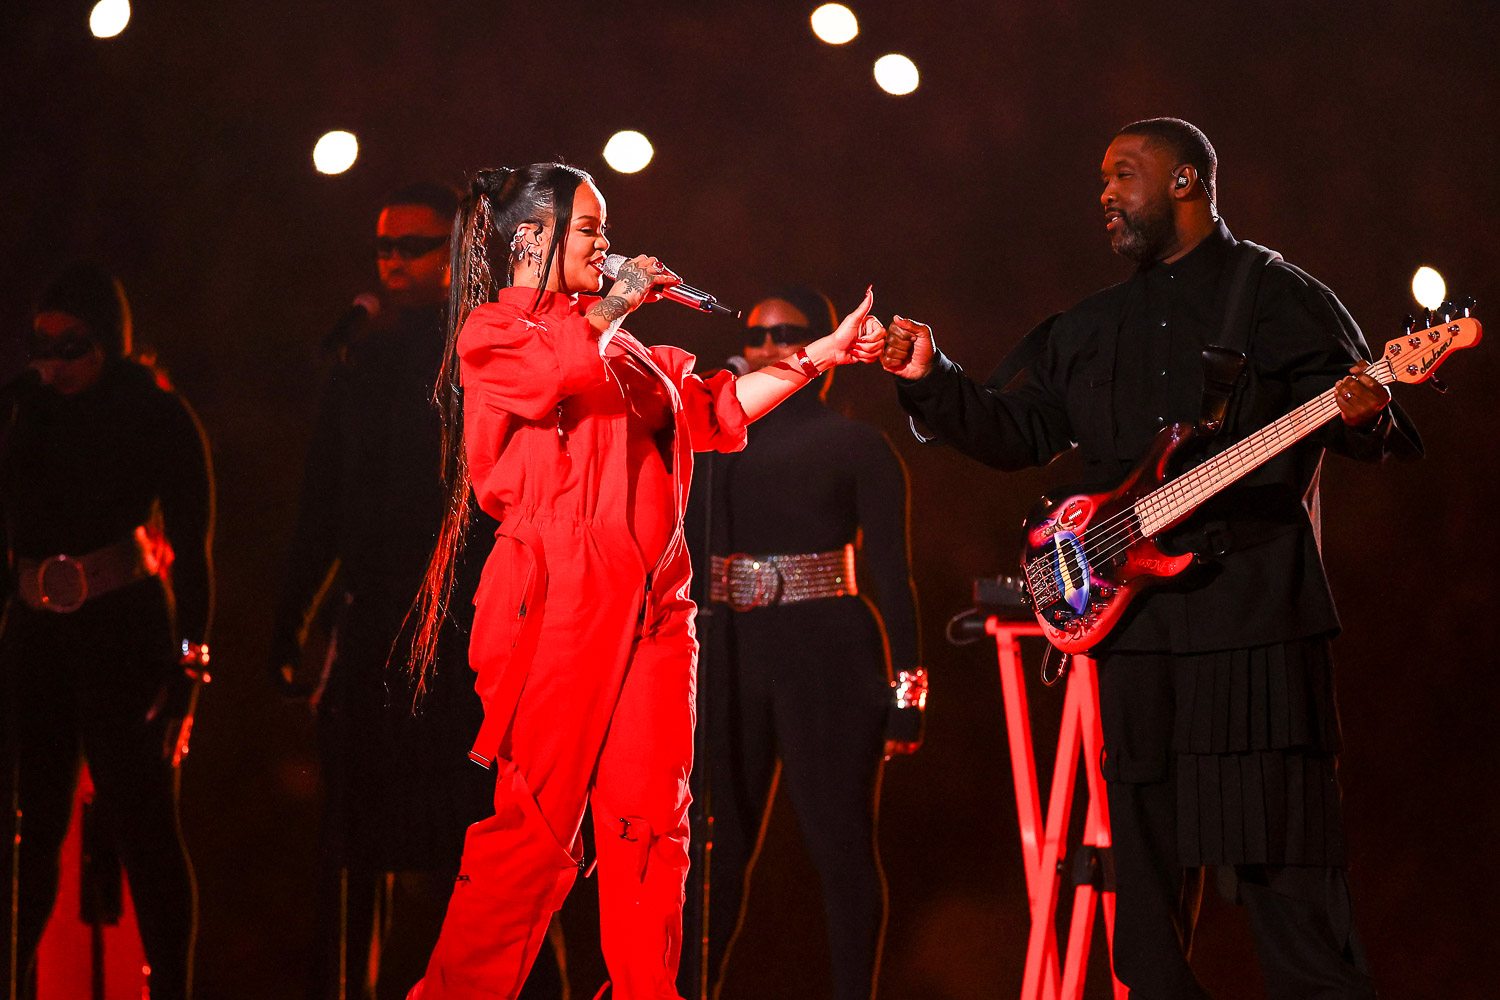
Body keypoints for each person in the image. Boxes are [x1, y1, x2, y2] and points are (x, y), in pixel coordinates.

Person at [880, 119, 1420, 999]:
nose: (1103, 193)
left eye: (1122, 174)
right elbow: (1017, 434)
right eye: (1100, 177)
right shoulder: (1092, 325)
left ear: (1186, 183)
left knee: (1289, 876)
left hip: (1253, 623)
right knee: (1146, 897)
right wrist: (928, 375)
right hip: (1135, 637)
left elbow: (1365, 417)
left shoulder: (1277, 296)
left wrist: (1366, 412)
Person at [403, 163, 883, 1000]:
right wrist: (615, 301)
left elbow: (715, 409)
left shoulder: (620, 345)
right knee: (536, 832)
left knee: (652, 828)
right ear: (531, 239)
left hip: (657, 607)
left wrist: (820, 356)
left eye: (603, 228)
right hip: (556, 599)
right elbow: (555, 374)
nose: (607, 244)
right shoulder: (494, 334)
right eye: (590, 229)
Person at [269, 182, 563, 1000]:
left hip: (472, 637)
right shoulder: (359, 358)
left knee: (471, 851)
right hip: (372, 640)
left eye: (415, 247)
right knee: (355, 851)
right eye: (384, 248)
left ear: (459, 251)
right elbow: (321, 502)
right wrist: (291, 619)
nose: (394, 263)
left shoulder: (494, 350)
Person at [680, 287, 921, 1000]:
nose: (770, 344)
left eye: (790, 332)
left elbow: (894, 575)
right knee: (712, 854)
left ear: (828, 345)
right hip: (730, 651)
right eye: (757, 333)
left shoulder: (858, 446)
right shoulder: (710, 446)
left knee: (842, 848)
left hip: (829, 653)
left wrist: (909, 686)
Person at [1, 263, 213, 1000]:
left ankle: (173, 988)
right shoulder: (25, 410)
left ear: (110, 342)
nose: (53, 363)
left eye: (73, 347)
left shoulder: (154, 413)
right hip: (36, 635)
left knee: (143, 823)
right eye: (42, 345)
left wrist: (190, 659)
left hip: (123, 632)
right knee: (31, 826)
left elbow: (195, 542)